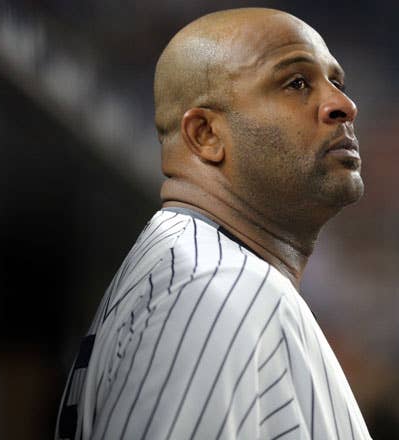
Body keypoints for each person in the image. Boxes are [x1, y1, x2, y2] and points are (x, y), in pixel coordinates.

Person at [55, 7, 371, 440]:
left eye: (336, 82)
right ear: (205, 135)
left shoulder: (202, 275)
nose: (343, 105)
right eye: (296, 83)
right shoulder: (215, 288)